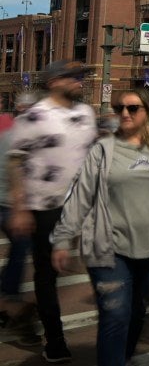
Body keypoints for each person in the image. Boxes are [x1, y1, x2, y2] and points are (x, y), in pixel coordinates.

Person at [51, 88, 149, 366]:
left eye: (132, 108)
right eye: (120, 109)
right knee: (115, 314)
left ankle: (122, 358)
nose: (124, 114)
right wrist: (62, 239)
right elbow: (80, 196)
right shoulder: (102, 151)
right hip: (109, 248)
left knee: (136, 312)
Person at [7, 59, 98, 363]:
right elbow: (15, 161)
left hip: (84, 205)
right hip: (45, 207)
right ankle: (55, 340)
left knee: (82, 263)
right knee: (47, 274)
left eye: (81, 76)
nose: (80, 81)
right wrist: (20, 208)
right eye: (74, 77)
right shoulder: (34, 116)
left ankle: (26, 312)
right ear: (55, 81)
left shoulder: (86, 113)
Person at [0, 92, 41, 346]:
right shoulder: (20, 135)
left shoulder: (10, 129)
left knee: (20, 253)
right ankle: (11, 304)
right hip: (11, 205)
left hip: (9, 203)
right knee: (22, 252)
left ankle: (9, 300)